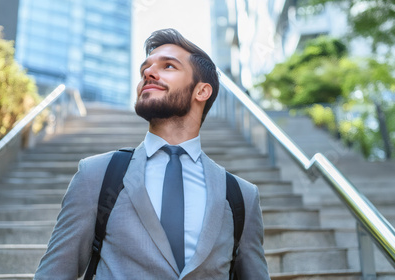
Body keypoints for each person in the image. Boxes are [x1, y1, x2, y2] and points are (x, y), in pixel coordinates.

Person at [34, 28, 269, 280]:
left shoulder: (242, 196)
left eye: (168, 66)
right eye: (144, 69)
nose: (148, 72)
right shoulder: (96, 176)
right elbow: (55, 273)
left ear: (202, 91)